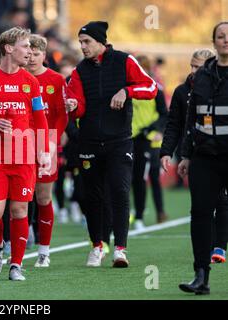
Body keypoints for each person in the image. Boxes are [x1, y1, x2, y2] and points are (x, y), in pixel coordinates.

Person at [65, 21, 157, 268]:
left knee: (119, 190)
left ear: (101, 41)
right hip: (89, 142)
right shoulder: (78, 71)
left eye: (87, 42)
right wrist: (73, 107)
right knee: (91, 196)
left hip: (120, 141)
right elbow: (78, 105)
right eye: (80, 42)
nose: (82, 46)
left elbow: (151, 87)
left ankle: (120, 249)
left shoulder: (124, 61)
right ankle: (97, 246)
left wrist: (127, 91)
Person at [0, 26, 50, 281]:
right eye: (25, 46)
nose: (29, 51)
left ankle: (16, 265)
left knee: (19, 211)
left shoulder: (31, 82)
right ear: (8, 48)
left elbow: (40, 119)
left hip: (24, 158)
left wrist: (44, 151)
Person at [160, 49, 228, 264]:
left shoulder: (220, 87)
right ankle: (205, 253)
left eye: (198, 67)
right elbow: (175, 125)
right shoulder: (182, 92)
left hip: (222, 152)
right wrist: (167, 152)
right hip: (198, 154)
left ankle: (219, 247)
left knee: (222, 201)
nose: (193, 71)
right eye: (191, 66)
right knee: (201, 205)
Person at [177, 22, 228, 295]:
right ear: (214, 42)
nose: (225, 41)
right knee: (200, 214)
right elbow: (190, 119)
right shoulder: (203, 76)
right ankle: (201, 276)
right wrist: (185, 154)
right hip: (205, 155)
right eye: (221, 37)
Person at [26, 34, 68, 267]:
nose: (32, 57)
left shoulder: (56, 80)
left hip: (46, 142)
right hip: (20, 142)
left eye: (36, 53)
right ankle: (19, 239)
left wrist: (52, 141)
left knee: (43, 196)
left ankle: (44, 251)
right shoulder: (17, 78)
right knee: (20, 196)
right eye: (28, 53)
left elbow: (62, 114)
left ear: (44, 55)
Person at [131, 55, 168, 230]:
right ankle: (138, 212)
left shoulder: (155, 90)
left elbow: (164, 114)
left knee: (148, 177)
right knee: (135, 177)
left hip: (149, 140)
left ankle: (149, 213)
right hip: (130, 138)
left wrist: (155, 130)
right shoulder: (128, 89)